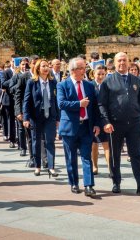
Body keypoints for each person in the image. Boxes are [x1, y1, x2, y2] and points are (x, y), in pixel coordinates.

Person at [99, 52, 140, 195]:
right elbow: (101, 104)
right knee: (115, 154)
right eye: (119, 61)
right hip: (115, 124)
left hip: (134, 123)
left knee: (136, 154)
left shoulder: (136, 81)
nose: (122, 63)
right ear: (115, 63)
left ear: (128, 62)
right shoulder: (107, 82)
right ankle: (116, 182)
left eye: (124, 60)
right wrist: (106, 122)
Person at [57, 57, 100, 196]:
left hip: (86, 127)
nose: (84, 71)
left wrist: (97, 124)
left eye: (84, 68)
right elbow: (61, 104)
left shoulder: (89, 85)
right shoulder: (62, 85)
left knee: (86, 157)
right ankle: (74, 183)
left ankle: (88, 186)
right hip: (70, 128)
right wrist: (79, 104)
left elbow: (94, 107)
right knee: (71, 158)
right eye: (82, 68)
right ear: (74, 70)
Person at [23, 59, 59, 178]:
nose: (46, 68)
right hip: (36, 116)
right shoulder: (32, 82)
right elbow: (27, 101)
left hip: (50, 116)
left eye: (47, 66)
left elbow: (56, 101)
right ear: (38, 68)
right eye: (43, 66)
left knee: (50, 141)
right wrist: (26, 118)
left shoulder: (53, 82)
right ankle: (37, 166)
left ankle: (51, 167)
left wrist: (58, 118)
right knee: (36, 141)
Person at [91, 65, 111, 176]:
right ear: (94, 74)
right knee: (94, 144)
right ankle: (95, 166)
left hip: (105, 119)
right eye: (98, 74)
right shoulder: (90, 86)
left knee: (106, 144)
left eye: (103, 74)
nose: (100, 76)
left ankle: (110, 168)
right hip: (93, 119)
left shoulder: (108, 86)